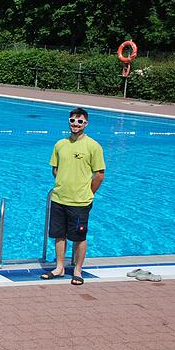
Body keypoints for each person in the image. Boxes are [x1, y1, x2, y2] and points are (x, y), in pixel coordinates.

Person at [41, 107, 105, 286]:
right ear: (68, 122)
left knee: (79, 237)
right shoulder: (60, 144)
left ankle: (77, 270)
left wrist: (89, 193)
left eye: (80, 121)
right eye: (73, 121)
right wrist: (64, 182)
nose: (76, 124)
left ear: (86, 123)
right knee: (58, 235)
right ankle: (59, 267)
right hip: (59, 198)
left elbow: (99, 174)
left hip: (80, 201)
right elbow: (55, 168)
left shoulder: (93, 146)